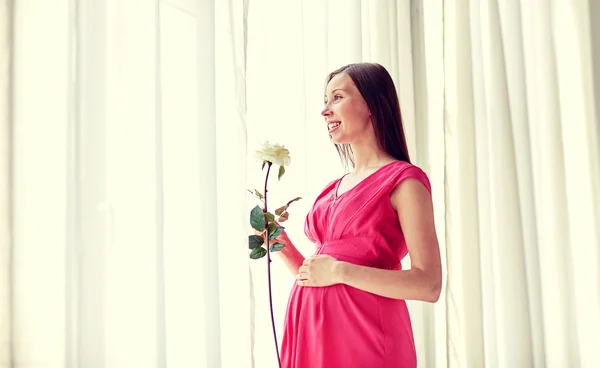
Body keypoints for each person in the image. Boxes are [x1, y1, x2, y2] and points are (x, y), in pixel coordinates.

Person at [274, 62, 442, 368]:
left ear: (372, 105)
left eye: (337, 97)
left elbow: (429, 285)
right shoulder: (331, 189)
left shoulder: (404, 181)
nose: (325, 111)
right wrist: (279, 242)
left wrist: (339, 272)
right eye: (325, 101)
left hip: (366, 338)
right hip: (311, 333)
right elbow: (318, 274)